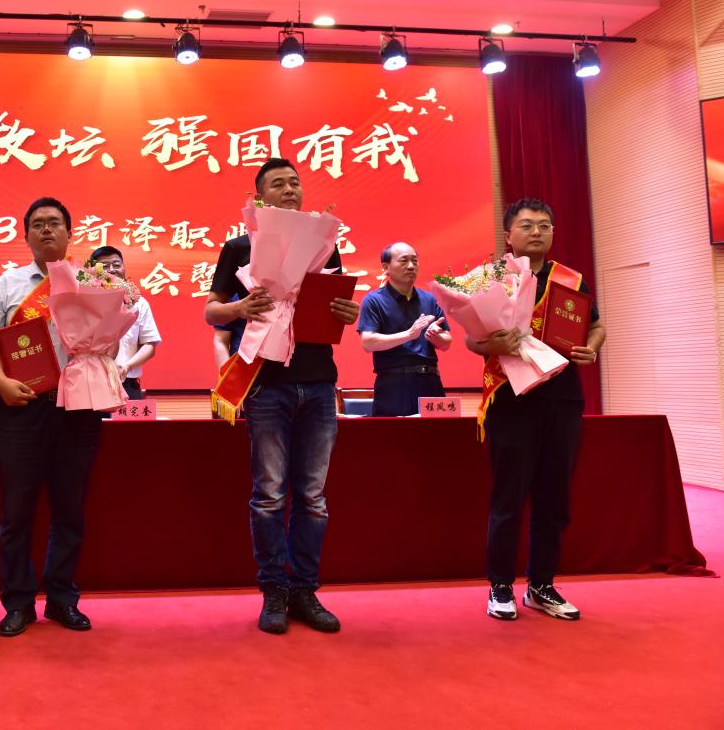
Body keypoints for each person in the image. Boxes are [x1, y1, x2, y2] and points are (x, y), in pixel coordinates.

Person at [203, 158, 359, 635]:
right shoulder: (240, 247)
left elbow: (334, 307)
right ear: (260, 198)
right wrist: (239, 307)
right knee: (269, 495)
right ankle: (273, 589)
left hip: (318, 381)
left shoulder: (324, 245)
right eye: (278, 184)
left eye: (295, 182)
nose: (290, 189)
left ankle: (305, 590)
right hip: (265, 385)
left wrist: (347, 311)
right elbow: (211, 312)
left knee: (313, 497)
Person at [468, 198, 605, 622]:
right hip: (511, 400)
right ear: (508, 235)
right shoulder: (491, 278)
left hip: (562, 398)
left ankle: (542, 585)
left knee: (554, 498)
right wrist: (493, 344)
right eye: (527, 225)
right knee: (508, 498)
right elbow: (473, 339)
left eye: (544, 225)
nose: (537, 232)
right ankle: (500, 586)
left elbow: (596, 325)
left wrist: (591, 349)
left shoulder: (570, 279)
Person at [0, 197, 101, 637]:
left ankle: (62, 598)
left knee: (70, 509)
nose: (47, 230)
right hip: (22, 407)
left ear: (70, 232)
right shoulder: (8, 285)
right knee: (16, 512)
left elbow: (109, 338)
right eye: (38, 224)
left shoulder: (90, 283)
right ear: (26, 234)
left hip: (77, 409)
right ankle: (18, 602)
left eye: (55, 223)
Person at [356, 241, 451, 416]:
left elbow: (446, 343)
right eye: (404, 260)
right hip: (394, 384)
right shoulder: (374, 300)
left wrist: (435, 336)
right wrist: (409, 334)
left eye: (414, 261)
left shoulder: (429, 299)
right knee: (393, 433)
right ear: (386, 267)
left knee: (436, 432)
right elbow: (368, 342)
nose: (411, 266)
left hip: (430, 381)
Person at [88, 245, 160, 400]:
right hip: (90, 383)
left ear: (124, 267)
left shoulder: (139, 303)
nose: (112, 270)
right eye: (105, 266)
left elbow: (149, 345)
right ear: (93, 271)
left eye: (116, 264)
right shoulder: (85, 302)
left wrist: (127, 367)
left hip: (127, 382)